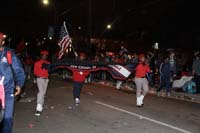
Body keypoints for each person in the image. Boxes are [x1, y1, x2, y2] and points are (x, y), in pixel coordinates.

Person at [0, 32, 25, 133]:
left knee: (7, 117)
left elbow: (18, 70)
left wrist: (19, 84)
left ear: (2, 41)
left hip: (7, 90)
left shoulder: (9, 54)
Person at [34, 50, 50, 116]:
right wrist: (41, 70)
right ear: (41, 56)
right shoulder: (37, 63)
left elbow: (50, 72)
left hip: (46, 79)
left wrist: (49, 69)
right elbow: (35, 72)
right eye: (43, 55)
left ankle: (41, 105)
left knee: (43, 93)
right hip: (40, 79)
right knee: (41, 92)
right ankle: (38, 107)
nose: (44, 56)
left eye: (46, 55)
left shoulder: (48, 63)